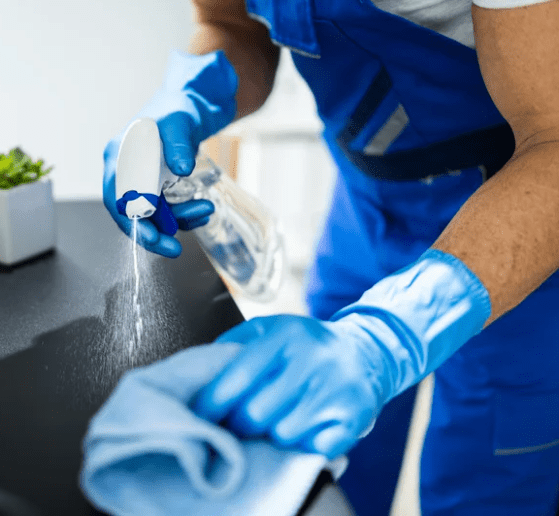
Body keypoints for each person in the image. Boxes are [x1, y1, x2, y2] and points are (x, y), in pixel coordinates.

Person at [102, 0, 559, 514]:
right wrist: (189, 98)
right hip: (366, 209)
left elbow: (553, 138)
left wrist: (387, 338)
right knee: (321, 459)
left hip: (520, 226)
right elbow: (229, 24)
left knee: (490, 483)